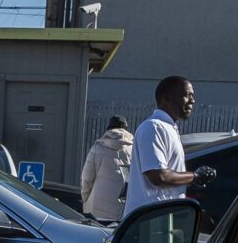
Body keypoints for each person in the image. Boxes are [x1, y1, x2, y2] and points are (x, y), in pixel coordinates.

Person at [128, 76, 208, 219]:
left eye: (192, 96)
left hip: (163, 218)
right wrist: (195, 177)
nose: (192, 100)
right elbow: (159, 176)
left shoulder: (168, 128)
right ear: (165, 98)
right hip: (150, 222)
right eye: (185, 95)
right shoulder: (153, 127)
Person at [77, 115, 133, 223]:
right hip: (122, 209)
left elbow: (87, 178)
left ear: (109, 128)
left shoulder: (98, 147)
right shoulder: (133, 149)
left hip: (97, 208)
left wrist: (85, 199)